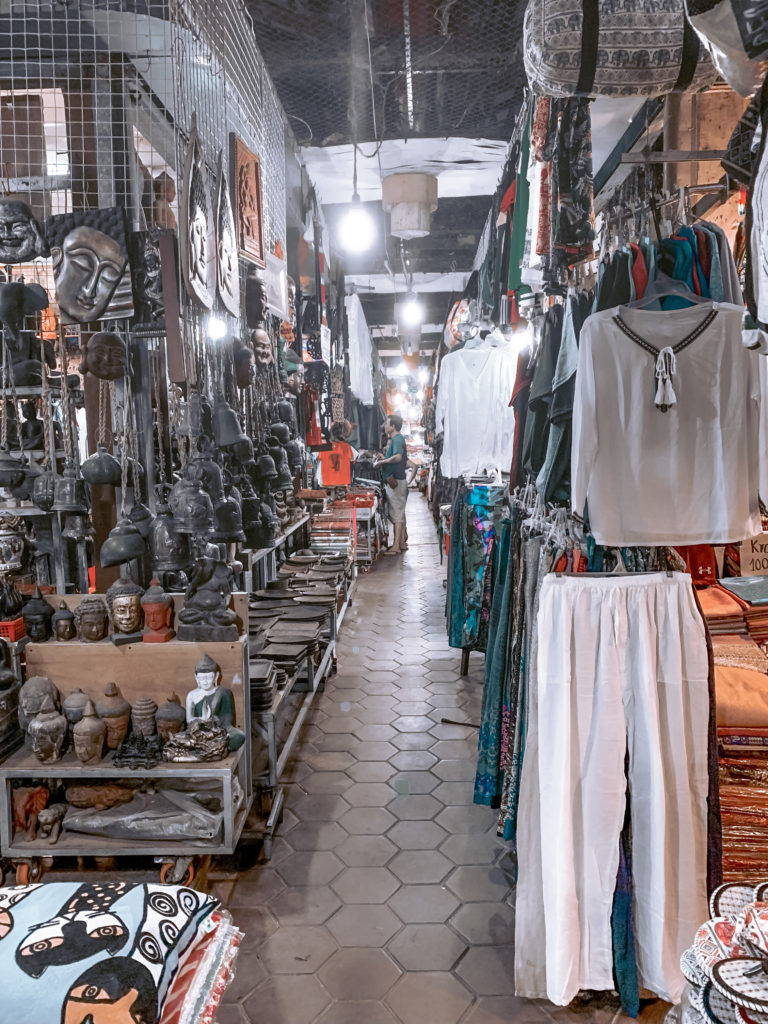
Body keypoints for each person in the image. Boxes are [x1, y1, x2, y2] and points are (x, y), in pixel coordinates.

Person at [378, 413, 408, 555]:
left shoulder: (396, 439)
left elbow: (398, 457)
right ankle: (400, 542)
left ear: (393, 426)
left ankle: (396, 545)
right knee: (398, 512)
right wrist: (384, 458)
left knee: (396, 513)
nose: (385, 425)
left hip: (396, 481)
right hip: (396, 479)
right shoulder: (397, 439)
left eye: (387, 423)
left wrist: (383, 461)